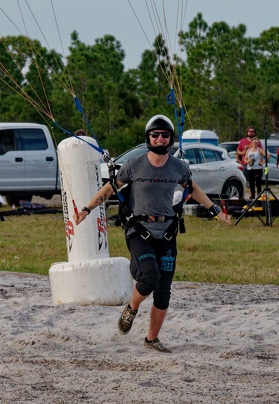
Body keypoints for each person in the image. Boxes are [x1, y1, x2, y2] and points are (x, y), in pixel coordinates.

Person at [73, 115, 231, 353]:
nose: (159, 139)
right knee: (149, 278)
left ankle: (151, 339)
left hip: (167, 231)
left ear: (170, 139)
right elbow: (109, 188)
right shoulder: (134, 166)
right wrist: (87, 208)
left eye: (164, 135)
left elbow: (193, 189)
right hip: (140, 230)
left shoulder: (179, 167)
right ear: (148, 138)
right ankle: (131, 309)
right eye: (155, 135)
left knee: (163, 292)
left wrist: (215, 210)